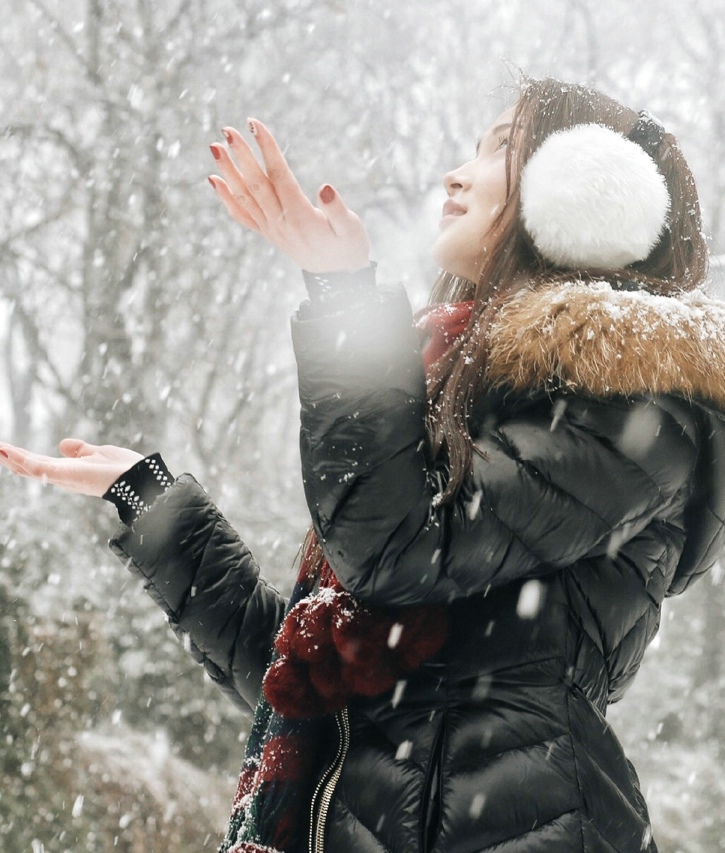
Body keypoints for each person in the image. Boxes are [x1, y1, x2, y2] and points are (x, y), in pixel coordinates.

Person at [2, 77, 725, 853]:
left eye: (500, 150)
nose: (455, 174)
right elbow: (312, 682)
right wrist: (154, 503)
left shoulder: (633, 407)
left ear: (586, 197)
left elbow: (394, 551)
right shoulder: (450, 393)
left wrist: (345, 297)